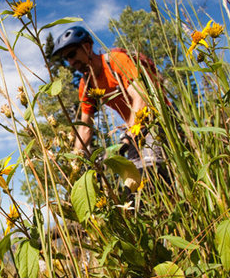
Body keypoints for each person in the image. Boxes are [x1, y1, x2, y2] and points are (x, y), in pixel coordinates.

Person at [51, 25, 164, 178]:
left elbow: (140, 96)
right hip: (134, 130)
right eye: (67, 58)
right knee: (131, 181)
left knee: (150, 171)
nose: (71, 62)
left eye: (72, 54)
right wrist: (76, 162)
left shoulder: (115, 60)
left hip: (157, 119)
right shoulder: (87, 84)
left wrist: (128, 136)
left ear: (87, 46)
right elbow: (85, 128)